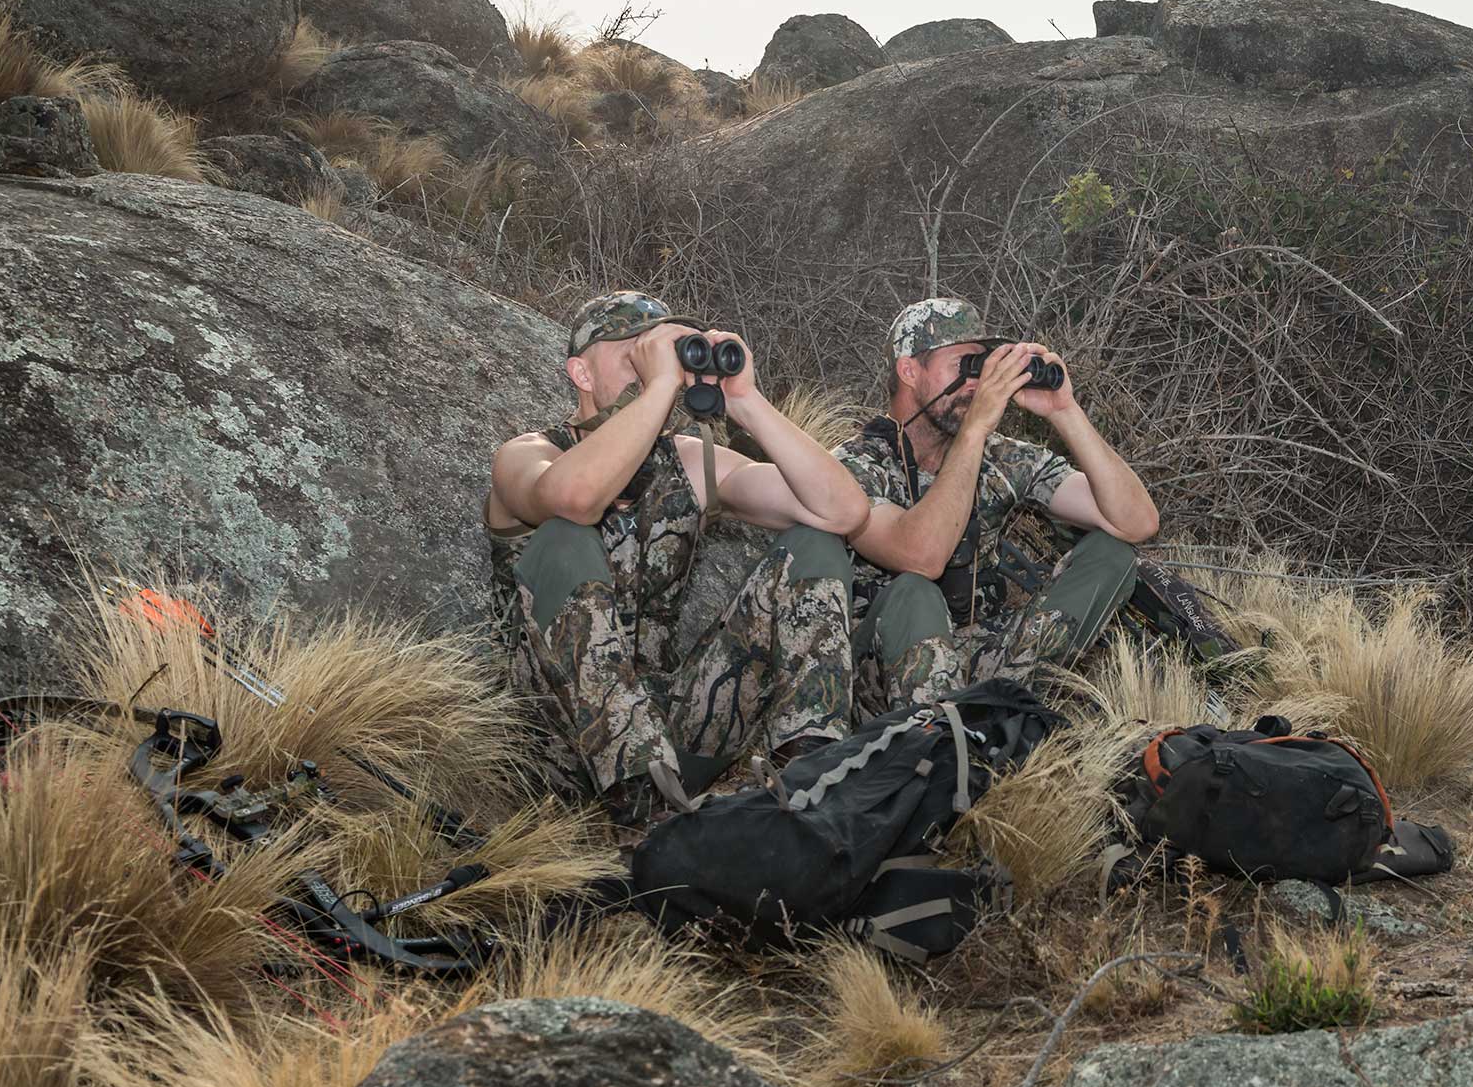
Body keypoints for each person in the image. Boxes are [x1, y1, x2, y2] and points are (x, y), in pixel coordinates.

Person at [485, 290, 871, 829]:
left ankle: (814, 786)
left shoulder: (689, 460)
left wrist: (746, 403)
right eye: (635, 350)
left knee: (817, 543)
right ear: (581, 372)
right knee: (564, 537)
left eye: (666, 349)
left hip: (672, 736)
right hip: (557, 744)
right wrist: (662, 383)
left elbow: (844, 511)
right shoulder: (528, 454)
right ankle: (648, 822)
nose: (653, 363)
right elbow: (572, 498)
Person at [840, 298, 1160, 713]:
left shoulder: (999, 456)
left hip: (979, 653)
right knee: (914, 590)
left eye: (983, 366)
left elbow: (1137, 522)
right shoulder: (854, 466)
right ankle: (936, 742)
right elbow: (921, 556)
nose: (976, 384)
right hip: (882, 673)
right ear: (908, 370)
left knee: (1112, 555)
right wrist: (975, 430)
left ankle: (1004, 714)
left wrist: (1065, 411)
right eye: (964, 366)